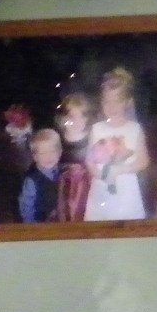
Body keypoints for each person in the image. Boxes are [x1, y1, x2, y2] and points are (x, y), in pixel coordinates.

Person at [83, 67, 149, 221]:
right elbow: (89, 160)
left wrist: (120, 170)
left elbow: (143, 161)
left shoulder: (134, 129)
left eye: (117, 101)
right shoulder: (97, 128)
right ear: (101, 102)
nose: (112, 107)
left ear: (128, 102)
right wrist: (101, 175)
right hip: (101, 189)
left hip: (127, 190)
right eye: (107, 102)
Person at [55, 90, 94, 221]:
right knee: (66, 214)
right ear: (64, 117)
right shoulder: (59, 137)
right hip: (64, 186)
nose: (77, 121)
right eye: (72, 116)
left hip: (87, 185)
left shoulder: (92, 136)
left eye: (82, 116)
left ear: (88, 118)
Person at [18, 128, 62, 222]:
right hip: (41, 222)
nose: (48, 156)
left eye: (52, 151)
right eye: (42, 153)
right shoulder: (32, 180)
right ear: (35, 157)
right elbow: (26, 206)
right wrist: (31, 226)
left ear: (59, 152)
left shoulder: (63, 171)